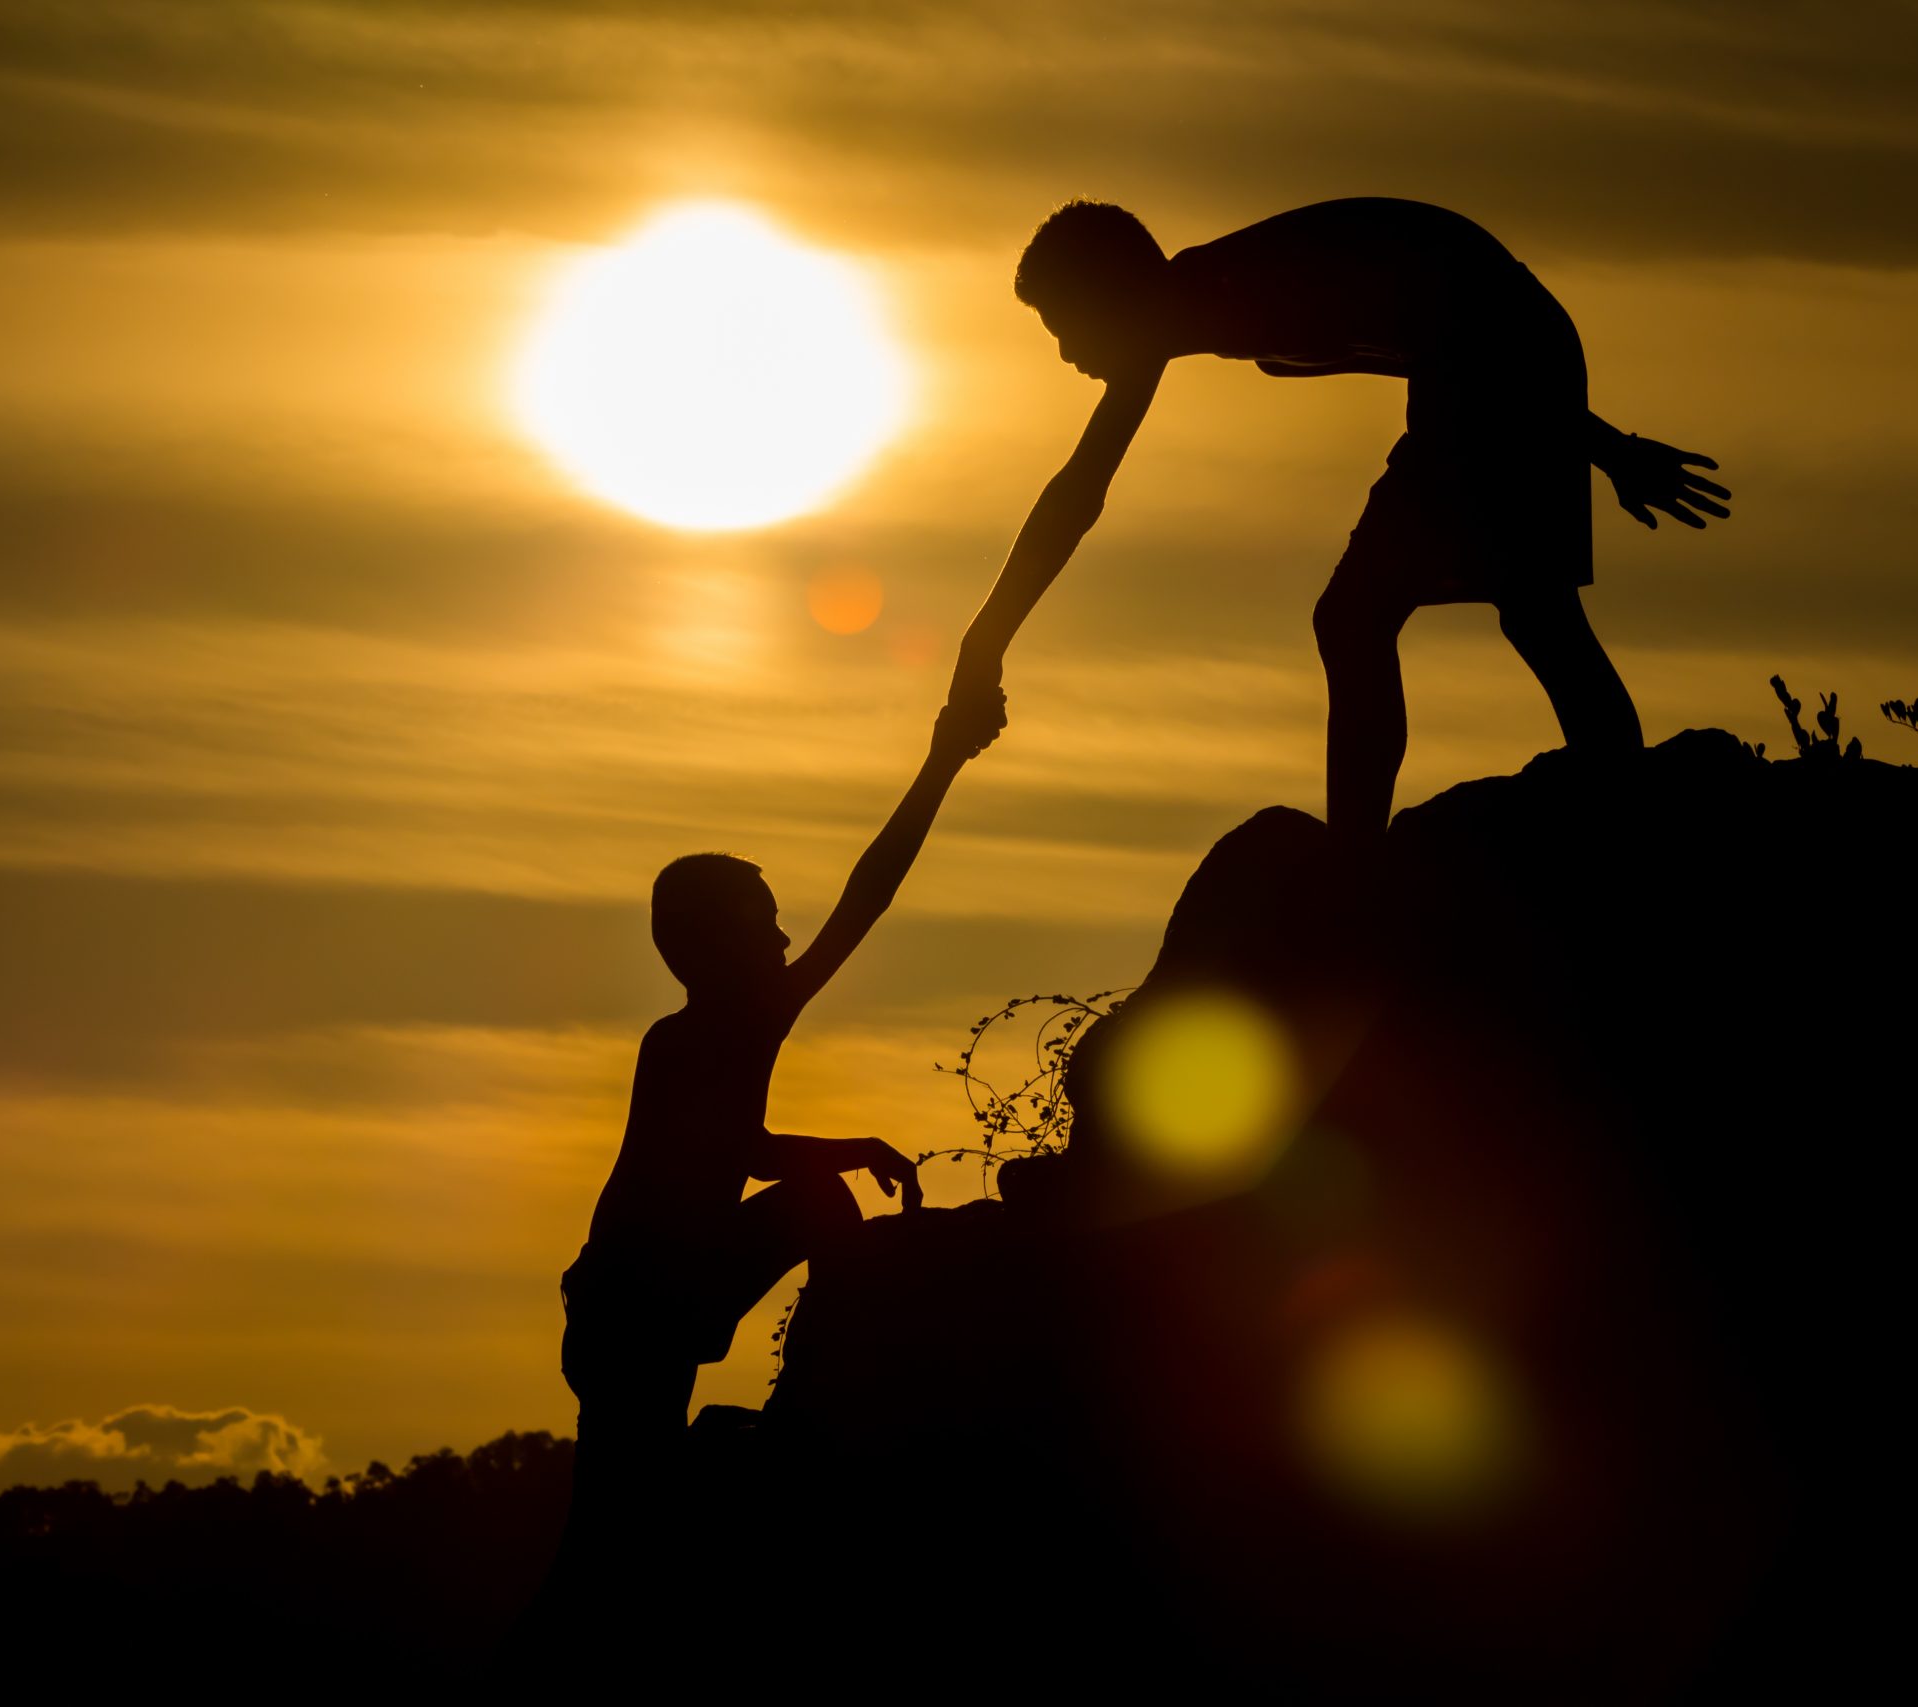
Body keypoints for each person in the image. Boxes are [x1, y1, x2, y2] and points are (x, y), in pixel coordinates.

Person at [950, 197, 1732, 843]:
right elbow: (1081, 488)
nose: (1063, 353)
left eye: (1062, 324)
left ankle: (1361, 861)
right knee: (1525, 610)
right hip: (1500, 352)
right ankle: (1617, 806)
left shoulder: (1234, 288)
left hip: (1493, 352)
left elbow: (1079, 490)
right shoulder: (1202, 302)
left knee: (1378, 617)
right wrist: (1602, 445)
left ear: (1111, 292)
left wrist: (1602, 446)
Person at [556, 691, 1004, 1467]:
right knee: (622, 1512)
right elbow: (867, 898)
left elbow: (746, 1149)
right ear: (716, 945)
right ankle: (835, 1384)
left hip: (645, 1296)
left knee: (818, 1203)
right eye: (765, 923)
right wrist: (939, 764)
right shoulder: (707, 1034)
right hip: (634, 1305)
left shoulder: (712, 1030)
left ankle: (824, 1384)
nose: (786, 936)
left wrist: (856, 1145)